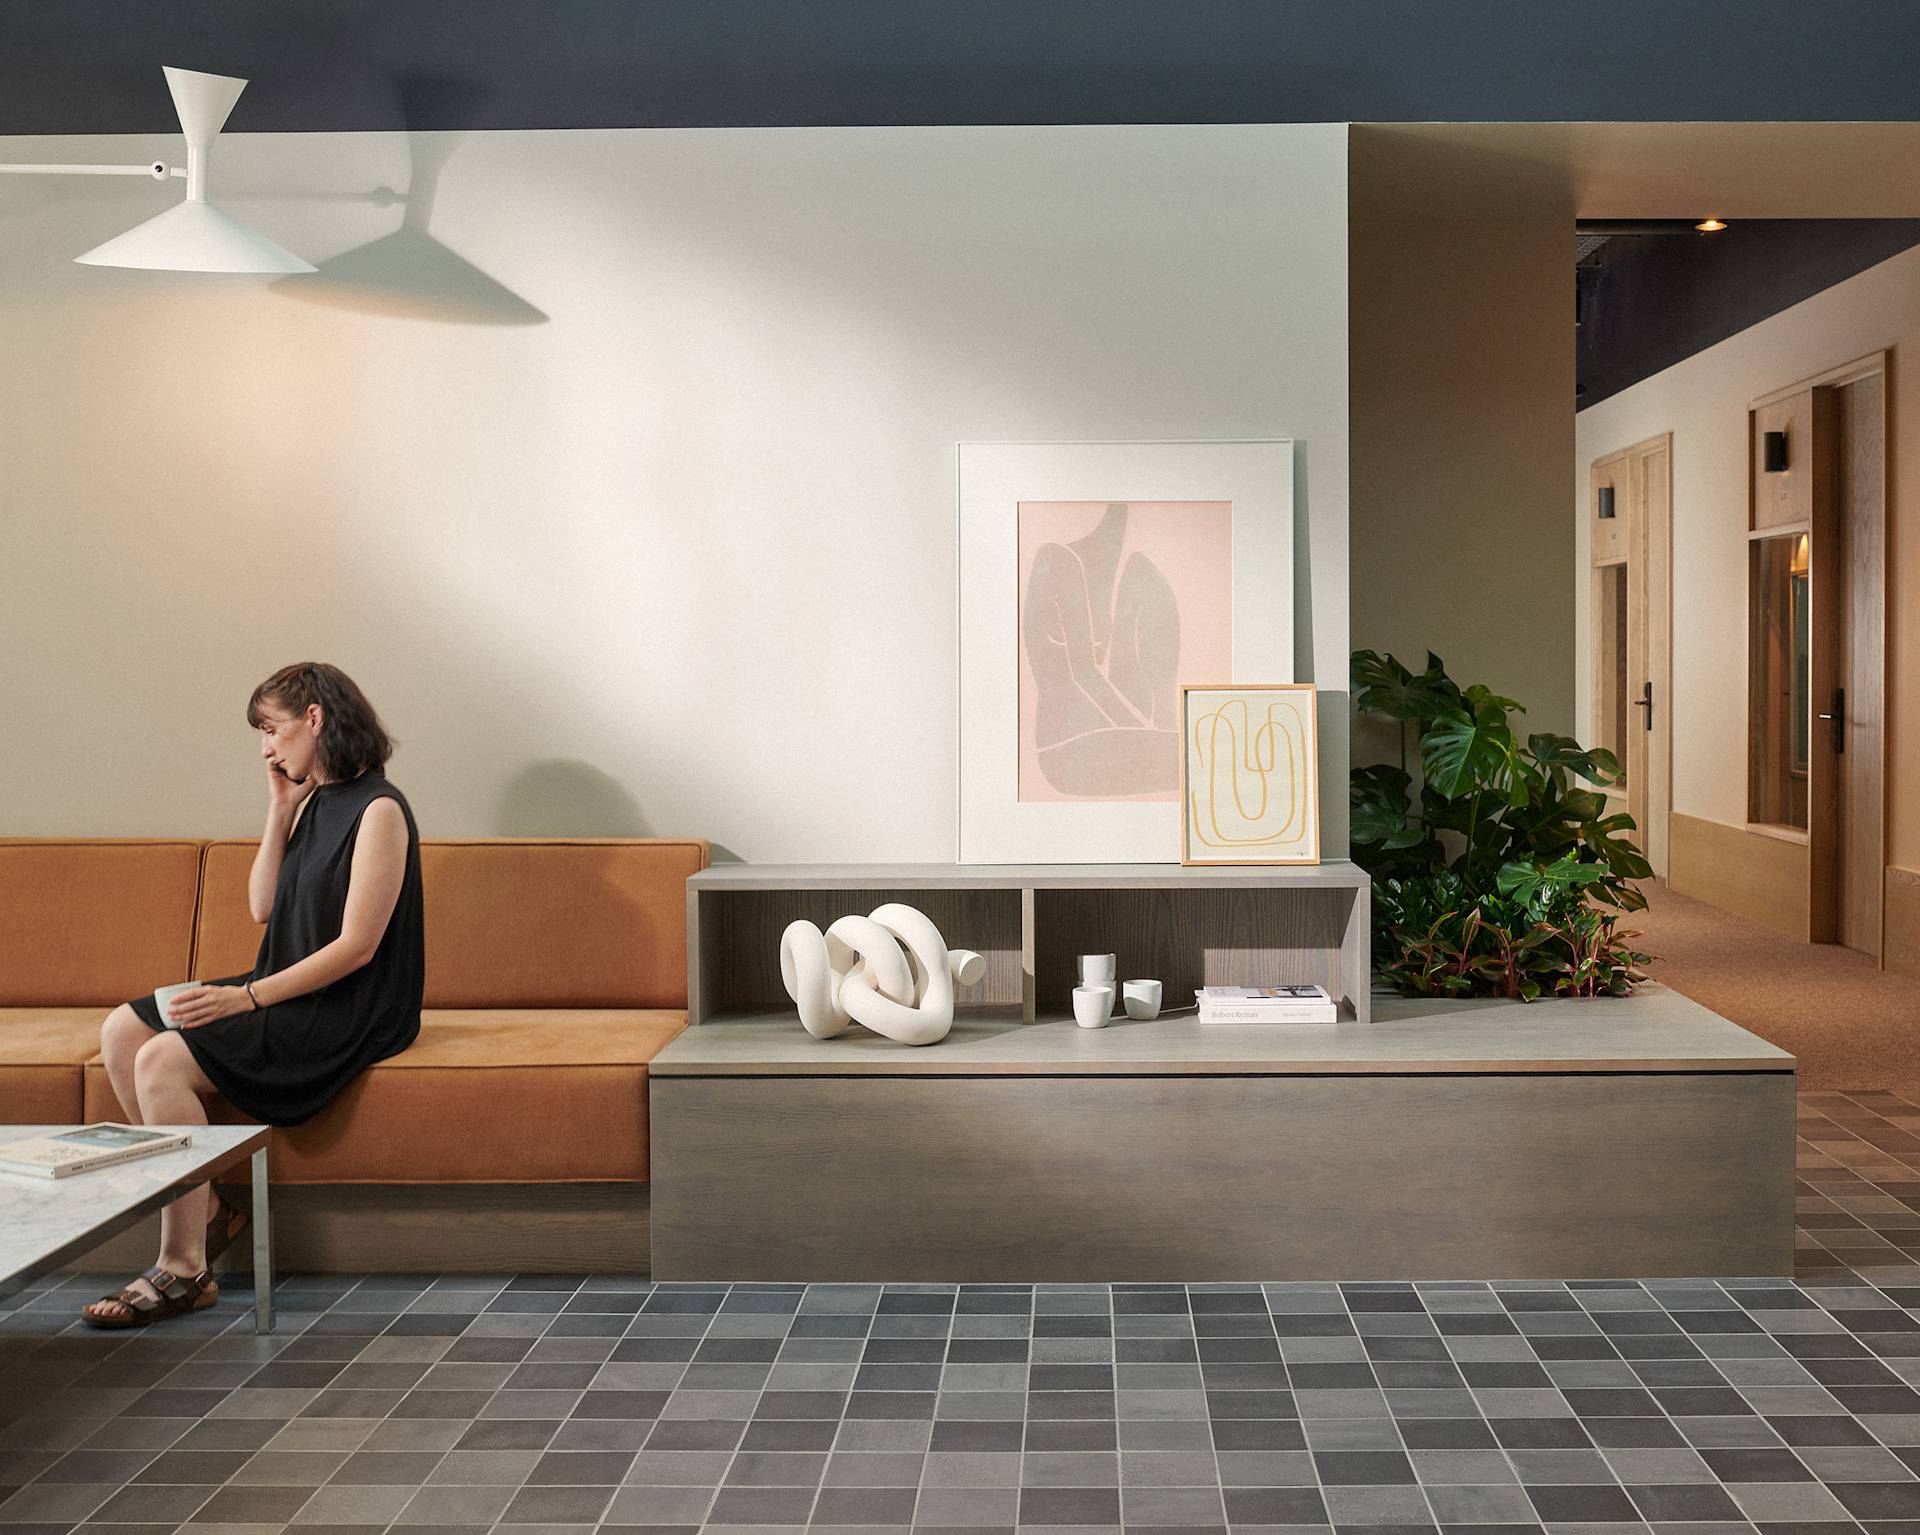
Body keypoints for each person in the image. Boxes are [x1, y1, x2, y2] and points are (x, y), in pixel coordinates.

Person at [82, 663, 425, 1327]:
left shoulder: (380, 809)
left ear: (315, 719)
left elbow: (358, 947)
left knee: (161, 1058)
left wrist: (248, 1000)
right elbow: (262, 906)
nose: (266, 747)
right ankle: (210, 1210)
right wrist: (279, 809)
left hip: (348, 1005)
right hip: (286, 983)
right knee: (123, 1031)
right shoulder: (314, 801)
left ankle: (184, 1266)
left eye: (272, 729)